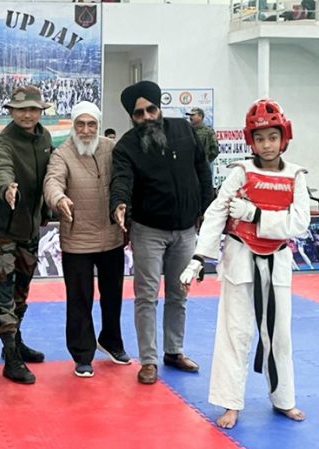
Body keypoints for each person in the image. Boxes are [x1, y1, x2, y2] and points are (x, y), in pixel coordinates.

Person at [180, 98, 309, 429]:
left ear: (284, 137)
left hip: (277, 261)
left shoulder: (296, 176)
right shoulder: (241, 173)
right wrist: (198, 259)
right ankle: (230, 403)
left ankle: (284, 400)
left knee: (278, 335)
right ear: (251, 140)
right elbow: (216, 214)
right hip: (239, 258)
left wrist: (256, 215)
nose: (267, 145)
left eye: (273, 137)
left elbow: (299, 224)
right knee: (233, 333)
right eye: (260, 138)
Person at [109, 80, 213, 385]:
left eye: (150, 110)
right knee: (146, 296)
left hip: (185, 230)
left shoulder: (184, 130)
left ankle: (174, 351)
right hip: (148, 231)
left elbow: (202, 169)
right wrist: (119, 203)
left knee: (179, 293)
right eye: (138, 114)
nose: (146, 117)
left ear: (159, 108)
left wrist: (208, 207)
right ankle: (149, 361)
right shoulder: (127, 146)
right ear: (132, 116)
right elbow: (121, 180)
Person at [44, 101, 130, 378]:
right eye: (80, 124)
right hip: (77, 240)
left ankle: (111, 341)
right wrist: (59, 199)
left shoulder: (111, 148)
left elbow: (125, 178)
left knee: (113, 296)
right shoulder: (62, 153)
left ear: (98, 125)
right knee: (79, 299)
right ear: (72, 125)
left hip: (112, 237)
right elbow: (52, 182)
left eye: (91, 124)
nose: (85, 130)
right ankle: (82, 354)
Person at [0, 85, 52, 384]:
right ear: (11, 112)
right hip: (3, 230)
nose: (27, 114)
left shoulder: (45, 138)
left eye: (33, 109)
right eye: (21, 109)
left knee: (21, 291)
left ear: (40, 112)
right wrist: (6, 187)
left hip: (30, 227)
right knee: (4, 294)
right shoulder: (3, 142)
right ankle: (11, 357)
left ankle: (16, 341)